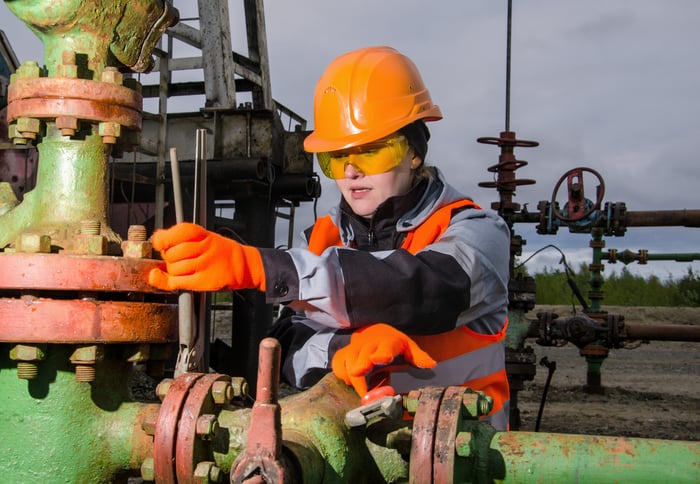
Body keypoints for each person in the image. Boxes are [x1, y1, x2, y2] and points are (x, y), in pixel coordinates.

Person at [148, 46, 511, 430]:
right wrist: (342, 349)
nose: (351, 172)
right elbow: (287, 340)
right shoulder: (321, 238)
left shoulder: (476, 230)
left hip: (465, 452)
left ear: (414, 152)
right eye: (337, 158)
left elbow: (419, 290)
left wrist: (260, 265)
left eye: (370, 153)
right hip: (361, 455)